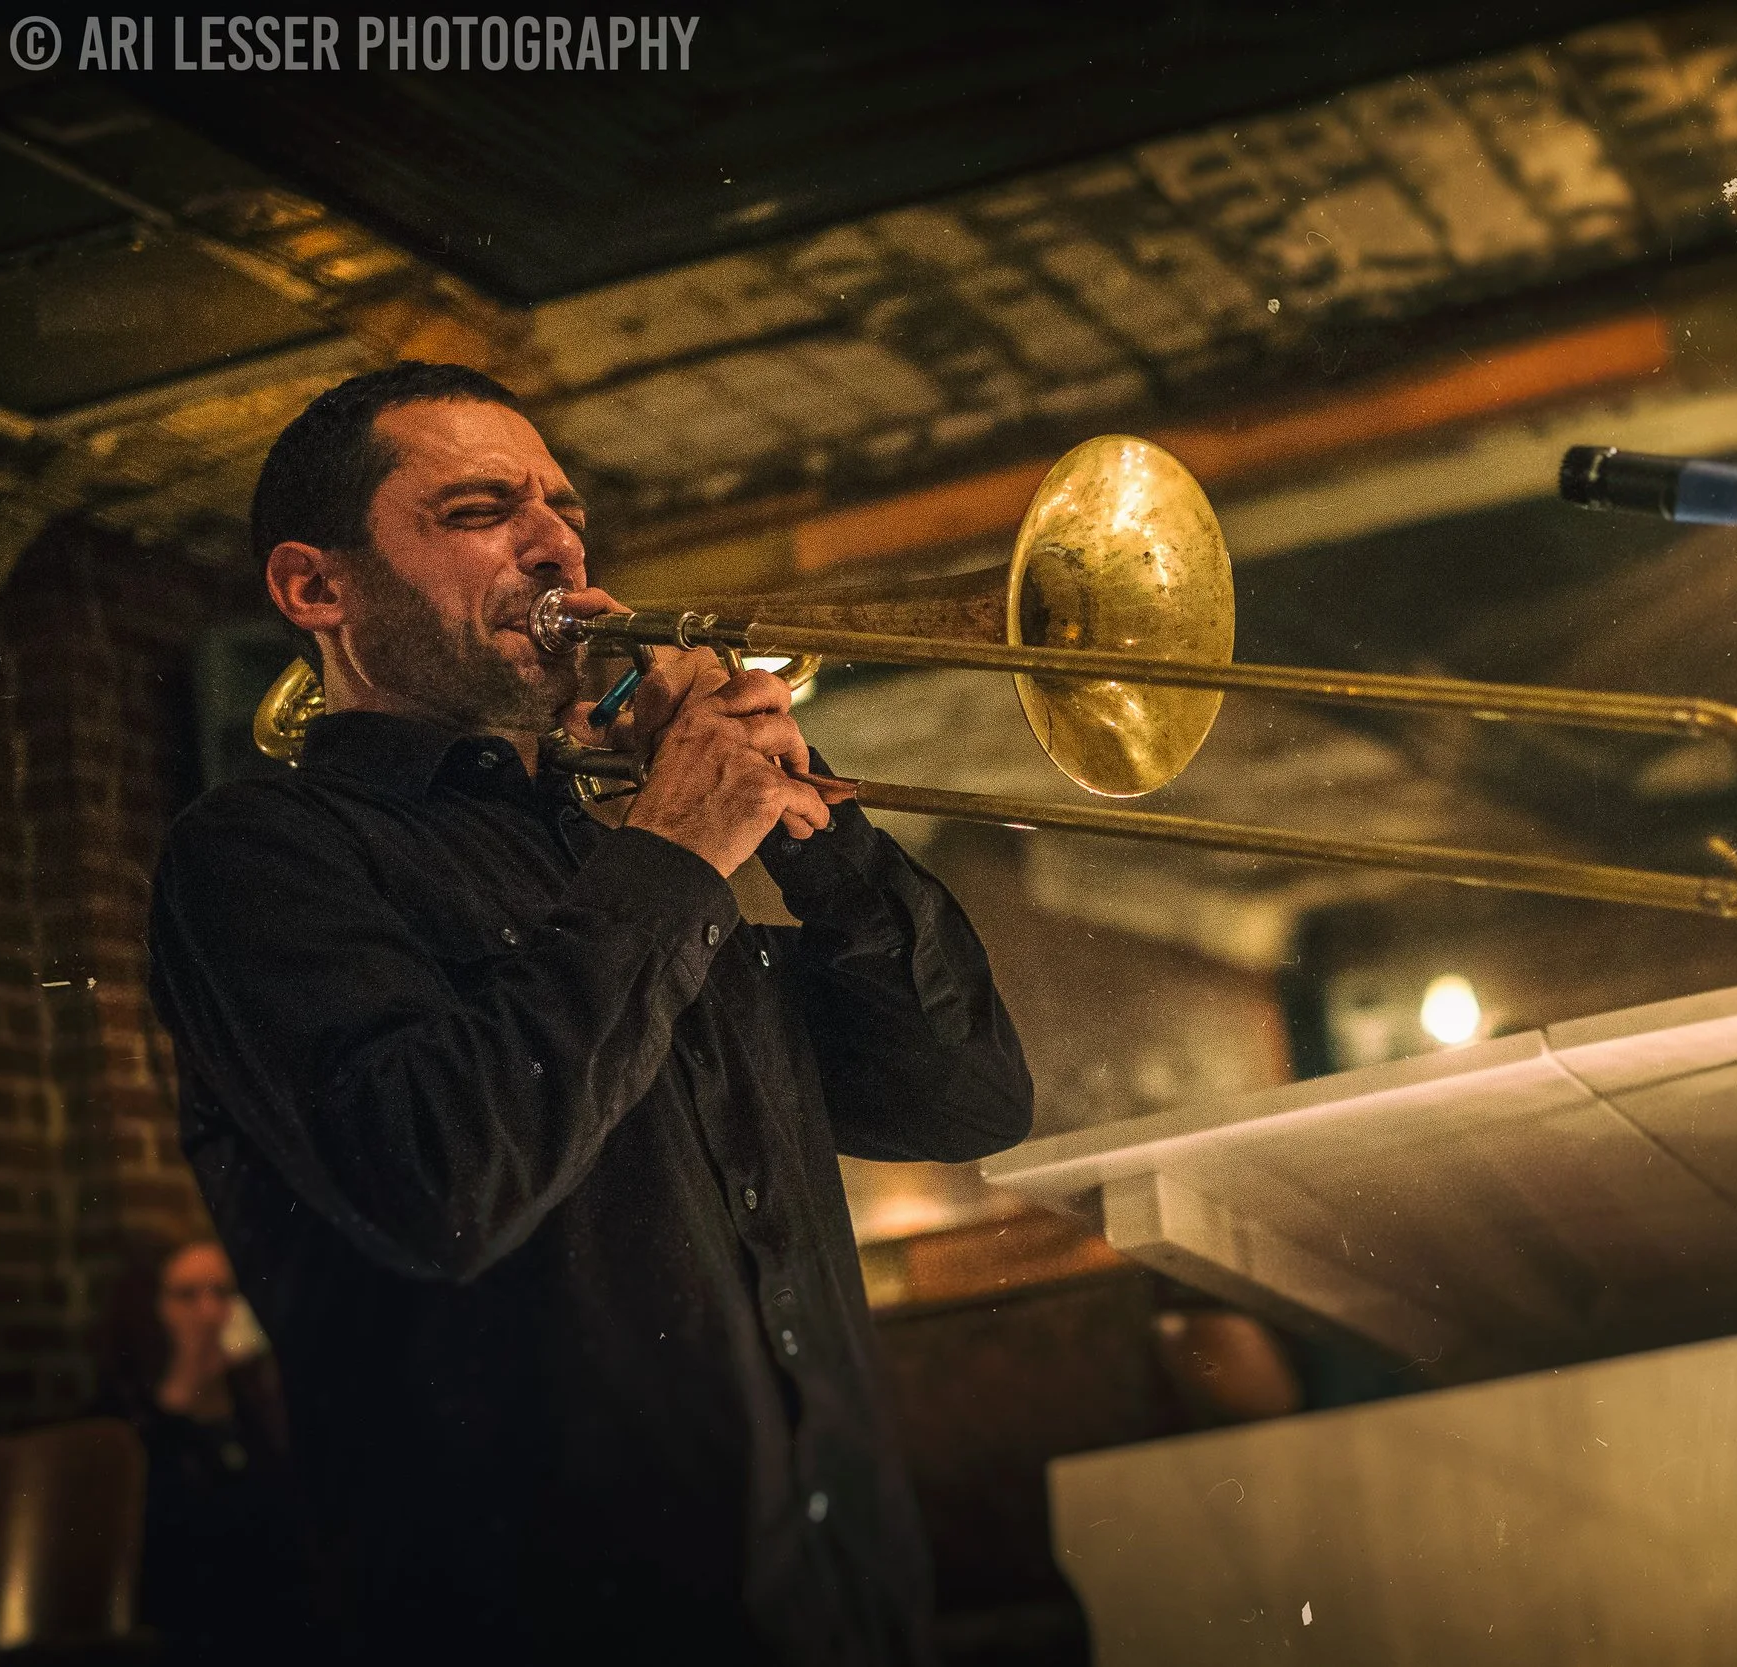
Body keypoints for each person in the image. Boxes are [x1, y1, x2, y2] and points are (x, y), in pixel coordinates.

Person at [146, 362, 1034, 1665]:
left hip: (846, 1607)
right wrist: (675, 846)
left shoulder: (626, 864)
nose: (557, 541)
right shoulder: (261, 854)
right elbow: (437, 1176)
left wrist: (810, 828)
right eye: (478, 508)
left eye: (562, 506)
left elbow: (964, 1095)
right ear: (315, 588)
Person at [94, 1238, 323, 1665]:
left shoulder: (263, 1416)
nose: (209, 1312)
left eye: (223, 1293)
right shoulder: (121, 1427)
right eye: (186, 1296)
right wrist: (185, 1384)